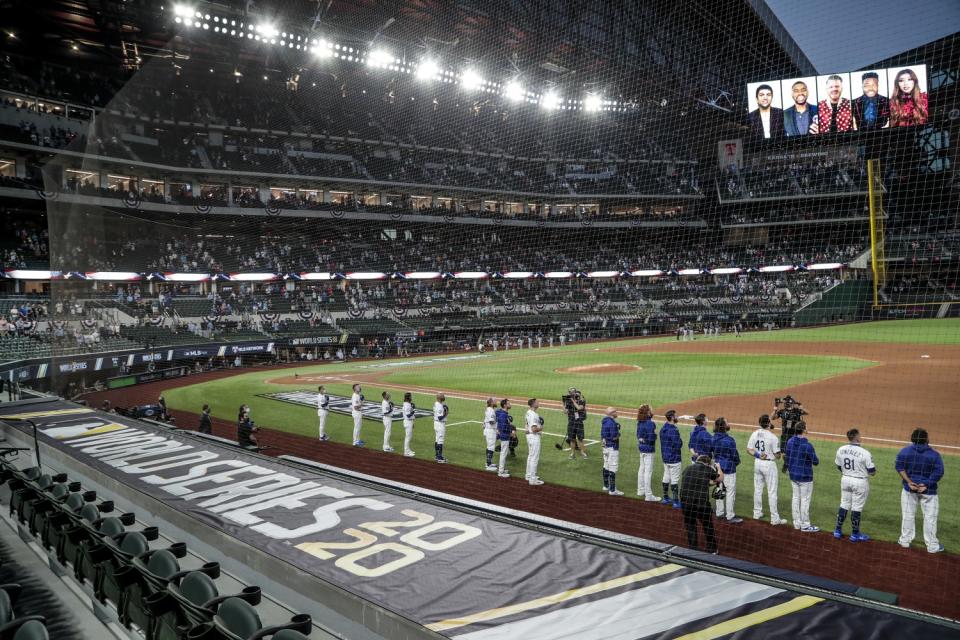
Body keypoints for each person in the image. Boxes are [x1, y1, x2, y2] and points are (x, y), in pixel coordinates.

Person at [895, 428, 944, 553]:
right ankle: (932, 546)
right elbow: (939, 472)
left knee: (908, 515)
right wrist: (927, 484)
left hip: (909, 490)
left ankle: (905, 541)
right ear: (926, 439)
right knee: (930, 518)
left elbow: (899, 467)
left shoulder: (905, 451)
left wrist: (909, 481)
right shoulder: (934, 454)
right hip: (929, 492)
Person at [834, 428, 877, 541]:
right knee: (856, 508)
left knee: (844, 504)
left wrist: (848, 473)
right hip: (860, 482)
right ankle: (854, 534)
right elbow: (872, 471)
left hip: (845, 479)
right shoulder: (865, 452)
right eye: (860, 435)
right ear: (857, 437)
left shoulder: (841, 449)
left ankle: (837, 530)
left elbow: (838, 466)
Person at [746, 415, 787, 525]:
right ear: (769, 423)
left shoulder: (754, 433)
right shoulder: (773, 437)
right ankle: (775, 519)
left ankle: (756, 513)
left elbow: (749, 449)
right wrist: (781, 454)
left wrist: (759, 455)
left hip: (758, 463)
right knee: (772, 492)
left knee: (758, 490)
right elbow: (777, 456)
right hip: (769, 465)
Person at [680, 455, 723, 554]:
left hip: (686, 503)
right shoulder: (707, 469)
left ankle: (693, 549)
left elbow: (700, 481)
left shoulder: (687, 468)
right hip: (701, 504)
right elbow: (720, 478)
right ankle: (712, 549)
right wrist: (719, 468)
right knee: (707, 525)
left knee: (690, 525)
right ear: (707, 463)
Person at [785, 422, 819, 532]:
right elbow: (816, 462)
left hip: (793, 476)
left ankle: (796, 523)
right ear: (804, 430)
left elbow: (787, 457)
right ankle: (805, 525)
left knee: (795, 498)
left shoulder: (790, 441)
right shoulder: (807, 445)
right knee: (804, 500)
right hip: (805, 477)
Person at [710, 417, 742, 523]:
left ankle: (719, 513)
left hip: (717, 468)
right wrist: (736, 462)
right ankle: (730, 516)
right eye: (727, 422)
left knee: (720, 489)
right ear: (724, 426)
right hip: (729, 469)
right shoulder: (729, 440)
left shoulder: (713, 438)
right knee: (730, 492)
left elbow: (711, 453)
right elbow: (735, 455)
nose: (728, 424)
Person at [635, 404, 660, 501]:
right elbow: (651, 439)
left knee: (641, 469)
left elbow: (638, 435)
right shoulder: (650, 423)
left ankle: (640, 490)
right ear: (648, 412)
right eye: (651, 409)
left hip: (641, 448)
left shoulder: (640, 422)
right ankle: (648, 495)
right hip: (649, 450)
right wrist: (655, 435)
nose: (652, 410)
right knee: (648, 472)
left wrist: (642, 440)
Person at [659, 409, 683, 508]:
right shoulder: (673, 430)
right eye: (676, 416)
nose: (677, 417)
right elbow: (678, 444)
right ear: (672, 417)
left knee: (666, 476)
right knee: (674, 479)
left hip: (665, 458)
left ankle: (665, 498)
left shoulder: (663, 428)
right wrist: (680, 441)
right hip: (674, 458)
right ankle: (676, 502)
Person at [556, 388, 588, 459]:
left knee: (580, 439)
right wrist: (563, 403)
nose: (572, 394)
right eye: (570, 393)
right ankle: (572, 454)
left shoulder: (582, 401)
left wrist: (573, 400)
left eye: (573, 393)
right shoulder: (568, 402)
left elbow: (579, 408)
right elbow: (565, 412)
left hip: (579, 423)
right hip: (571, 423)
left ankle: (583, 452)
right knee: (572, 439)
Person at [600, 407, 623, 496]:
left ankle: (606, 486)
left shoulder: (604, 421)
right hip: (612, 448)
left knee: (606, 465)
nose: (616, 412)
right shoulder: (612, 424)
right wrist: (619, 434)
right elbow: (614, 437)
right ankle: (612, 490)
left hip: (605, 447)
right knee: (613, 468)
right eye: (615, 411)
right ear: (611, 413)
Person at [525, 398, 544, 485]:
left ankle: (528, 475)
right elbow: (534, 429)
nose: (538, 403)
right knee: (534, 458)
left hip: (529, 437)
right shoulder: (533, 415)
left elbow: (526, 427)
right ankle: (532, 480)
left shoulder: (528, 412)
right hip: (534, 437)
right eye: (537, 402)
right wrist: (541, 428)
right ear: (533, 404)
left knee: (530, 456)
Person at [495, 398, 515, 478]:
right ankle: (501, 472)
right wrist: (510, 434)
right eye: (509, 403)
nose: (510, 404)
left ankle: (501, 469)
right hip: (505, 436)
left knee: (504, 453)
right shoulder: (503, 415)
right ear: (505, 405)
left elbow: (496, 413)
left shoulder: (503, 413)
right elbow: (503, 427)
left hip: (504, 436)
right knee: (503, 454)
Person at [482, 397, 498, 471]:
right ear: (491, 403)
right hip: (490, 430)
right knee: (491, 447)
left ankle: (488, 462)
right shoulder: (491, 410)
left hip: (488, 430)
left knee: (489, 446)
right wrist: (497, 421)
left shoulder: (488, 409)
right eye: (495, 401)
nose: (496, 402)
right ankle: (488, 465)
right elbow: (491, 421)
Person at [433, 392, 449, 463]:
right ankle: (439, 458)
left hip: (436, 424)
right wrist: (446, 414)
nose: (444, 396)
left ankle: (437, 456)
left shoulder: (436, 404)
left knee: (437, 439)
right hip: (440, 424)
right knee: (440, 440)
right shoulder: (439, 406)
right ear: (439, 398)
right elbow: (440, 417)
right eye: (442, 396)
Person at [401, 392, 416, 457]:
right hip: (408, 421)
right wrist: (413, 411)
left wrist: (412, 422)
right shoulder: (407, 405)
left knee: (409, 437)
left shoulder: (408, 404)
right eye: (410, 396)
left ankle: (408, 450)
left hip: (409, 421)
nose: (411, 397)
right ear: (408, 397)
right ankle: (406, 452)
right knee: (408, 437)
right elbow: (408, 415)